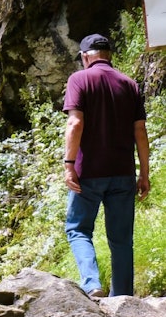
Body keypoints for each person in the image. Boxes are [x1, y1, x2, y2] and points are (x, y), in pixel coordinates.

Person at [63, 33, 151, 297]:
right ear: (109, 54)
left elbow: (75, 123)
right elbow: (141, 131)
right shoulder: (129, 84)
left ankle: (92, 285)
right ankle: (123, 297)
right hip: (123, 173)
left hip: (88, 172)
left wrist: (69, 164)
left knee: (78, 229)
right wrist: (144, 174)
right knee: (122, 239)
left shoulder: (79, 79)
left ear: (85, 56)